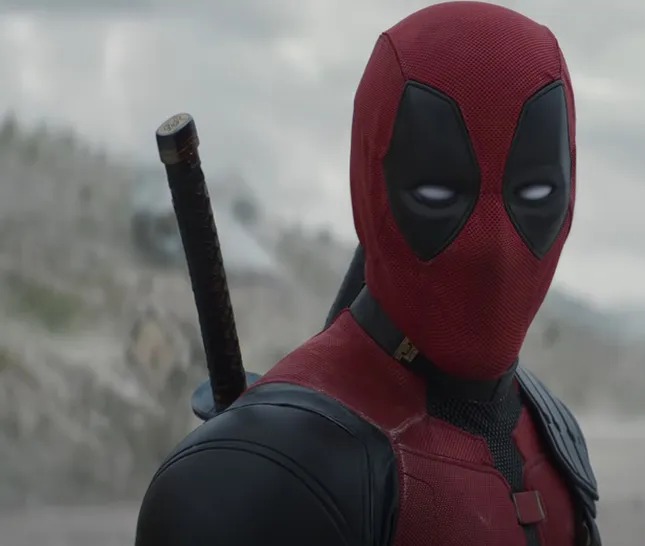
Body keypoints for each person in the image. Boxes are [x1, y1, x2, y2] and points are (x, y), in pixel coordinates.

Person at [134, 2, 599, 545]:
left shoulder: (550, 433)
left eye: (535, 192)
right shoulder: (264, 477)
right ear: (371, 187)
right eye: (438, 195)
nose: (493, 249)